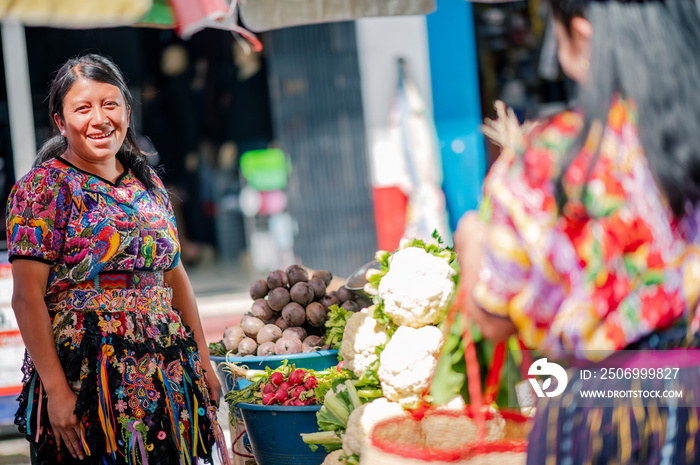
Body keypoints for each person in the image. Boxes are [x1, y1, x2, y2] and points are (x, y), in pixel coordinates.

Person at [454, 0, 700, 463]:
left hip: (599, 413)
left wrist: (470, 241)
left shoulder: (545, 160)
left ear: (583, 34)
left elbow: (493, 317)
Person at [6, 54, 228, 464]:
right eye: (82, 108)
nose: (99, 119)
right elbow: (26, 297)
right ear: (60, 121)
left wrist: (202, 360)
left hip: (167, 372)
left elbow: (175, 275)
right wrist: (56, 390)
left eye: (110, 105)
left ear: (127, 109)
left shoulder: (146, 181)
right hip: (89, 379)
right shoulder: (44, 188)